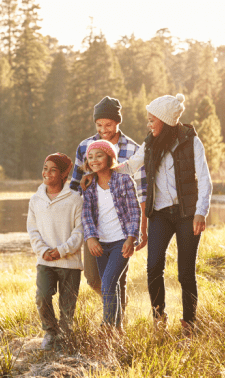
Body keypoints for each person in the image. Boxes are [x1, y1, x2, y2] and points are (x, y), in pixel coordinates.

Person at [84, 93, 212, 337]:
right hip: (160, 214)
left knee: (186, 272)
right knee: (153, 267)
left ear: (164, 120)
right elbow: (131, 165)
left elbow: (204, 179)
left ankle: (189, 322)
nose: (149, 124)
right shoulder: (151, 143)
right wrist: (100, 170)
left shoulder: (191, 141)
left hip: (187, 213)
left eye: (152, 119)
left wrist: (200, 212)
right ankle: (158, 316)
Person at [70, 96, 148, 313]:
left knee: (115, 278)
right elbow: (76, 186)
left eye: (108, 124)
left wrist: (141, 230)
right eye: (99, 125)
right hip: (94, 226)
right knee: (94, 279)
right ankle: (117, 309)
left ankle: (114, 326)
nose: (103, 129)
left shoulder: (133, 149)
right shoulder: (85, 146)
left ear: (118, 122)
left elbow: (142, 191)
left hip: (122, 226)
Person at [80, 140, 141, 332]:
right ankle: (117, 329)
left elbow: (134, 211)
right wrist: (90, 238)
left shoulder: (124, 181)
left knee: (108, 283)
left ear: (109, 157)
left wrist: (131, 238)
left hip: (120, 242)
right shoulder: (89, 185)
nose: (94, 160)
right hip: (101, 244)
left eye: (99, 155)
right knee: (110, 285)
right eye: (90, 157)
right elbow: (86, 214)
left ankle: (106, 327)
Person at [26, 152, 84, 350]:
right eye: (45, 168)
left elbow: (79, 232)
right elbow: (32, 230)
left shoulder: (75, 199)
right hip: (45, 261)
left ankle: (66, 339)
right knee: (42, 297)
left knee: (68, 306)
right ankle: (51, 332)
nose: (47, 173)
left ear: (63, 175)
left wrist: (61, 251)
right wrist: (44, 251)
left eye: (53, 170)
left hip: (70, 262)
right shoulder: (35, 200)